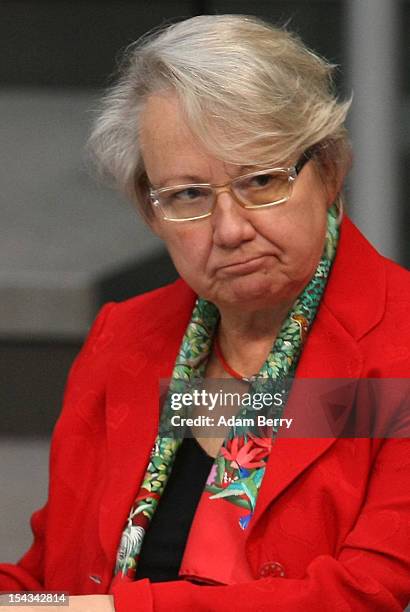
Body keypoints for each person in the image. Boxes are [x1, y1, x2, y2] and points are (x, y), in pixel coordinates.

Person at [1, 14, 409, 612]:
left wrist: (119, 611)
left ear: (330, 169)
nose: (231, 229)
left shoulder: (397, 345)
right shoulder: (126, 337)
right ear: (149, 210)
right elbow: (51, 582)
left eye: (262, 180)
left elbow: (368, 595)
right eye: (189, 195)